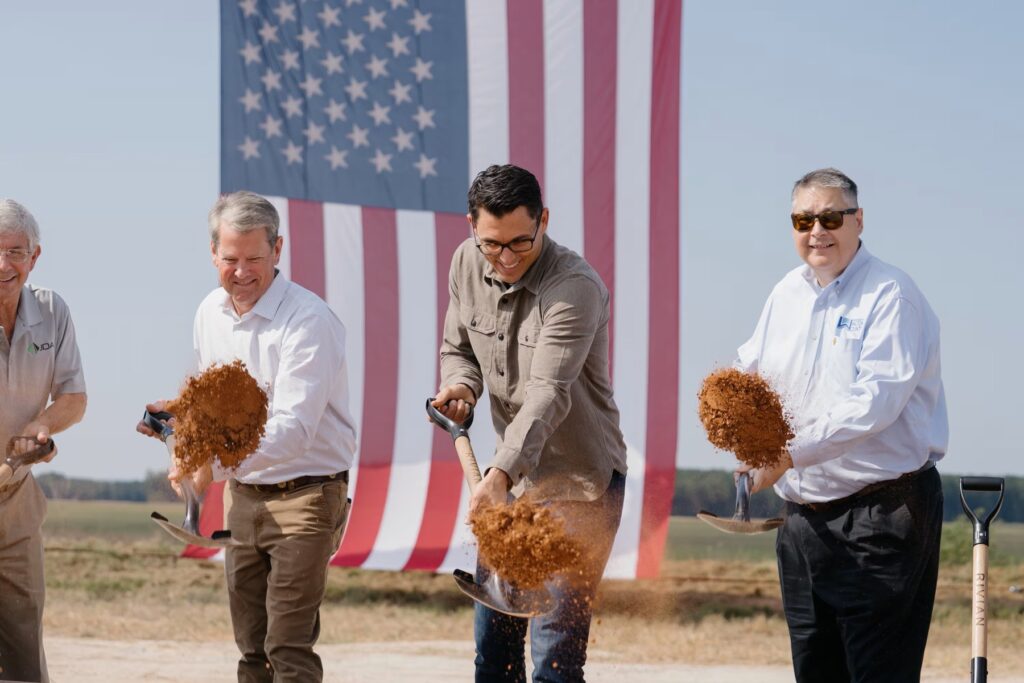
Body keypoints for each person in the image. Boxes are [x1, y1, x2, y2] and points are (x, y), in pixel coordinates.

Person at [735, 168, 947, 683]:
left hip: (882, 516)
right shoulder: (785, 294)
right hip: (803, 524)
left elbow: (874, 403)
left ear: (858, 220)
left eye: (831, 217)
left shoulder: (891, 296)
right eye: (803, 219)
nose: (817, 231)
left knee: (876, 673)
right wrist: (744, 432)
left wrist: (788, 454)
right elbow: (751, 373)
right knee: (815, 670)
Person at [137, 191, 356, 683]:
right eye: (230, 259)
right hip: (242, 497)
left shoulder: (308, 322)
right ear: (212, 253)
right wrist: (178, 425)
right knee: (251, 649)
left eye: (254, 258)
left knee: (288, 646)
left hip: (306, 497)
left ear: (278, 250)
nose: (242, 272)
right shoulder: (208, 313)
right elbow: (207, 400)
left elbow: (292, 430)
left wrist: (208, 468)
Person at [432, 164, 628, 682]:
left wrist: (497, 476)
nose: (507, 258)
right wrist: (462, 387)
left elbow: (547, 394)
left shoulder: (574, 287)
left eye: (521, 241)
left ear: (543, 219)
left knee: (554, 657)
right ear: (472, 227)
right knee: (493, 653)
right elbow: (458, 350)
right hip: (515, 486)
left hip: (580, 485)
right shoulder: (465, 263)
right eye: (492, 245)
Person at [0, 199, 87, 683]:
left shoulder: (52, 311)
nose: (3, 265)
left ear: (35, 257)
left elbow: (73, 395)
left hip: (16, 502)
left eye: (15, 252)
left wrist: (44, 426)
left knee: (24, 653)